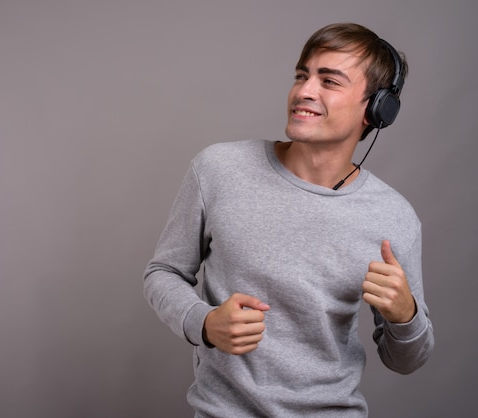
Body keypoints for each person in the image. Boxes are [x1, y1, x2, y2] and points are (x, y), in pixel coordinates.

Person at [143, 22, 434, 417]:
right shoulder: (217, 169)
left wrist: (406, 315)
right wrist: (204, 322)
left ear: (376, 109)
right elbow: (163, 271)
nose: (304, 91)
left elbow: (406, 359)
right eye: (302, 75)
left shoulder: (393, 217)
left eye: (329, 81)